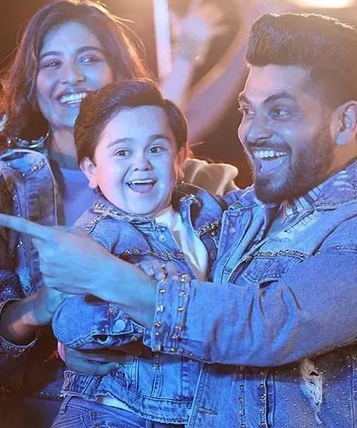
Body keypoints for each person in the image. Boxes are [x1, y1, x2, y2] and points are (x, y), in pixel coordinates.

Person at [0, 13, 357, 427]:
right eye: (248, 110)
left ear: (344, 122)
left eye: (280, 111)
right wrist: (89, 337)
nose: (254, 131)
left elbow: (264, 327)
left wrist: (111, 280)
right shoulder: (242, 212)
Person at [0, 0, 237, 428]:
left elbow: (242, 313)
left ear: (119, 72)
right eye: (51, 63)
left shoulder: (199, 186)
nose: (71, 76)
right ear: (32, 85)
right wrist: (42, 312)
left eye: (89, 58)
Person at [49, 78, 227, 427]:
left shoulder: (208, 211)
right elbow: (68, 322)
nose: (141, 163)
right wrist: (133, 293)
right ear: (91, 170)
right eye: (122, 152)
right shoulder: (97, 235)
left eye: (156, 149)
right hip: (110, 409)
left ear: (180, 158)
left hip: (191, 412)